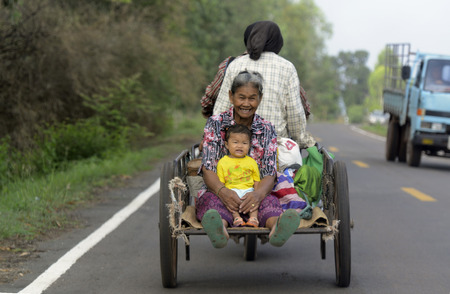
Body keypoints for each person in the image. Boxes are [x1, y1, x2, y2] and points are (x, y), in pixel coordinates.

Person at [197, 71, 300, 248]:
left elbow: (269, 171)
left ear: (260, 99)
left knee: (270, 203)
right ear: (231, 96)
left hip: (255, 190)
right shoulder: (215, 123)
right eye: (241, 97)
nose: (246, 104)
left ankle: (277, 228)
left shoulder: (267, 128)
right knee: (210, 203)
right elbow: (208, 168)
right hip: (221, 189)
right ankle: (220, 228)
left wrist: (258, 195)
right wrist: (224, 192)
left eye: (252, 98)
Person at [213, 21, 315, 149]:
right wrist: (301, 141)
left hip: (235, 147)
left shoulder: (235, 65)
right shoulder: (287, 67)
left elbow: (220, 110)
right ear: (278, 42)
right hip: (275, 147)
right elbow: (295, 114)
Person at [217, 124, 260, 227]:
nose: (240, 146)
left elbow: (256, 180)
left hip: (248, 190)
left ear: (249, 145)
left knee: (253, 205)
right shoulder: (223, 162)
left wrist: (256, 194)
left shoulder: (251, 162)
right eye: (235, 142)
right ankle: (237, 217)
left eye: (244, 143)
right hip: (231, 191)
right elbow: (221, 183)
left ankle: (253, 218)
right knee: (230, 206)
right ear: (227, 145)